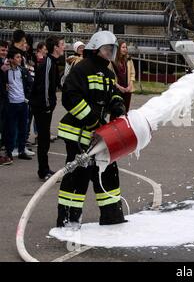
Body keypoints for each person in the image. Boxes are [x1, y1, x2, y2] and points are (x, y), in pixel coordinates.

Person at [56, 30, 127, 227]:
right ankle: (69, 219)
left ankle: (112, 216)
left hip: (98, 134)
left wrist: (118, 104)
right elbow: (70, 97)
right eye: (106, 49)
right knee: (78, 176)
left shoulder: (107, 73)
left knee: (108, 171)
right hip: (79, 133)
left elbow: (111, 94)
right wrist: (91, 120)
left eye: (111, 50)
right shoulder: (82, 68)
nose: (109, 54)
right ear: (95, 48)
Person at [30, 36, 65, 181]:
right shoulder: (48, 63)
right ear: (55, 47)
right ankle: (43, 171)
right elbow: (44, 86)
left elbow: (55, 84)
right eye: (62, 44)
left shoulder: (53, 62)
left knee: (45, 138)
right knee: (43, 139)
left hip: (45, 105)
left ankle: (44, 169)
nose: (64, 46)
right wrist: (46, 106)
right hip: (41, 106)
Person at [4, 49, 33, 161]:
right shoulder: (5, 71)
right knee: (10, 129)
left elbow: (29, 83)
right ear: (11, 59)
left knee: (23, 128)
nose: (20, 59)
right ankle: (9, 151)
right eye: (17, 57)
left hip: (22, 102)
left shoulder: (23, 71)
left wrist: (27, 97)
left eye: (20, 57)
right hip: (11, 104)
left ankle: (21, 150)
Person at [113, 40, 135, 112]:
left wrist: (130, 85)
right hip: (117, 90)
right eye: (123, 47)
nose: (125, 49)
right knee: (116, 111)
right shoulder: (112, 61)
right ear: (118, 48)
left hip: (127, 90)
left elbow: (132, 73)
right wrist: (119, 87)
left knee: (125, 110)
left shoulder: (129, 59)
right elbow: (109, 77)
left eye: (126, 47)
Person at [0, 41, 12, 166]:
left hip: (4, 98)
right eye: (2, 50)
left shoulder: (5, 63)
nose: (4, 52)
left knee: (3, 126)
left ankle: (4, 152)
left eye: (6, 50)